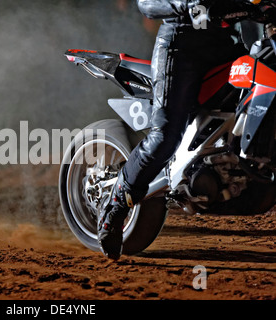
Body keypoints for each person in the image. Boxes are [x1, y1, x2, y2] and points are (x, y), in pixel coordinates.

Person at [98, 0, 261, 260]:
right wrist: (185, 4)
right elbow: (146, 4)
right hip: (181, 46)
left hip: (229, 44)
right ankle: (115, 208)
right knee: (165, 136)